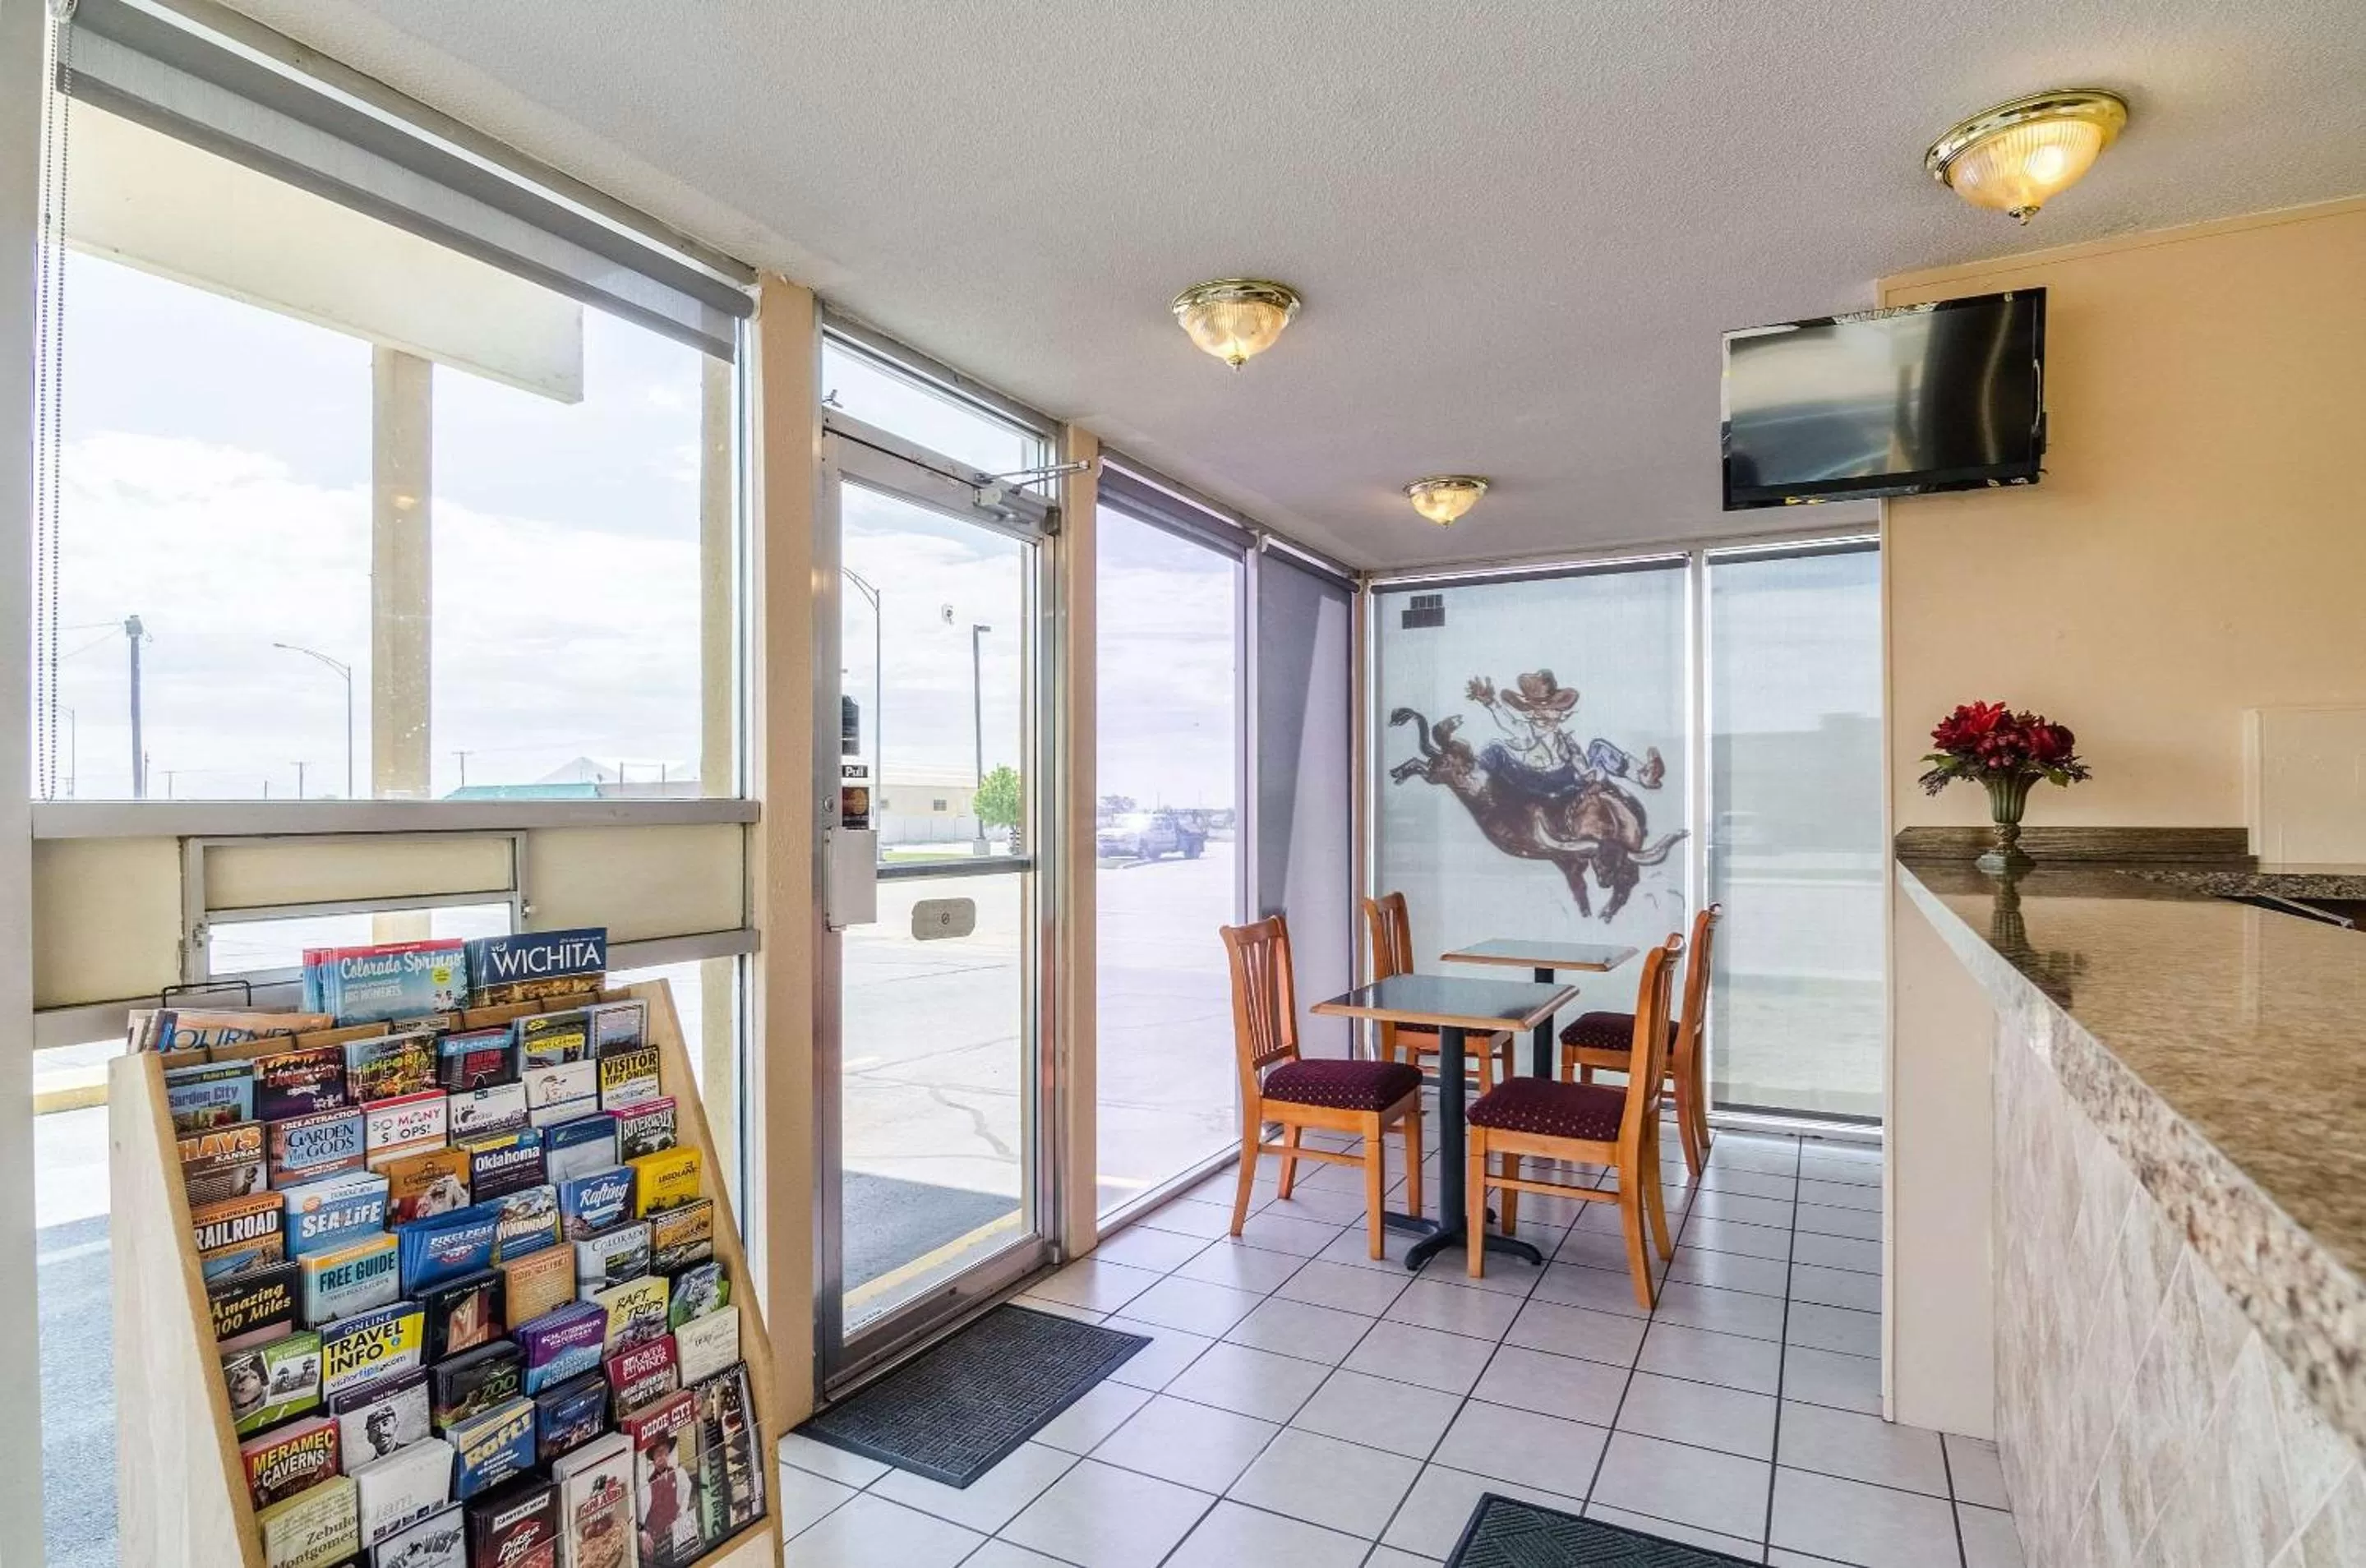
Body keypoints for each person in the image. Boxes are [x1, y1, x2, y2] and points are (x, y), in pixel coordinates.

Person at [1467, 670, 1663, 800]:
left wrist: (1589, 776)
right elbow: (1509, 723)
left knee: (1598, 748)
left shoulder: (1564, 739)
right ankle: (1476, 780)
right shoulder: (1527, 732)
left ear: (1560, 713)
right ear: (1529, 712)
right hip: (1534, 779)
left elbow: (1576, 759)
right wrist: (1491, 703)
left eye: (1550, 709)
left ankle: (1642, 775)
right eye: (1536, 710)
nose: (1543, 714)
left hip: (1564, 779)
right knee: (1495, 749)